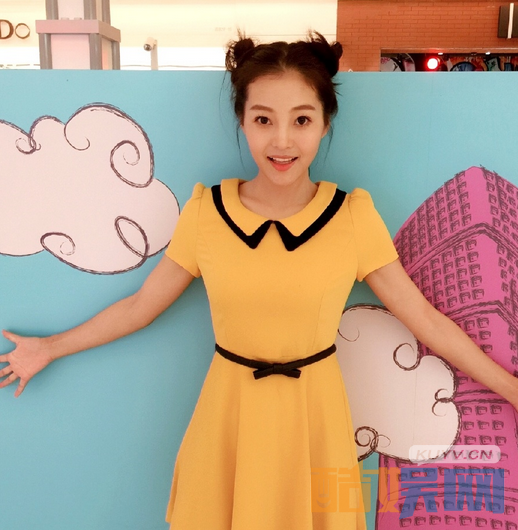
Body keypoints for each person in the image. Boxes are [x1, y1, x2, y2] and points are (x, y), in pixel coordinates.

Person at [1, 32, 518, 530]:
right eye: (263, 119)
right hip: (228, 420)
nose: (282, 140)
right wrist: (49, 347)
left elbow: (424, 319)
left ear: (325, 123)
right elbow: (140, 307)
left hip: (313, 422)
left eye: (302, 119)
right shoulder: (207, 212)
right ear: (243, 121)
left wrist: (511, 390)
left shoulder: (351, 217)